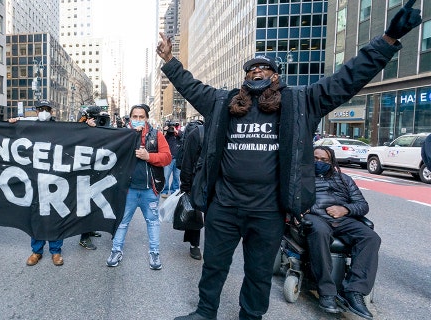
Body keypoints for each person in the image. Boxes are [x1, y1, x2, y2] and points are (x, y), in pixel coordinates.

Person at [157, 2, 420, 318]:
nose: (257, 71)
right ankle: (204, 311)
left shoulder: (300, 102)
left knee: (257, 273)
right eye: (252, 69)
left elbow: (348, 78)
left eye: (264, 68)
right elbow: (190, 86)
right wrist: (170, 60)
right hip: (224, 207)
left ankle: (250, 316)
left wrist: (388, 39)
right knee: (214, 267)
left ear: (275, 77)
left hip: (268, 212)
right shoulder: (223, 102)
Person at [8, 100, 87, 265]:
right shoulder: (28, 128)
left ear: (51, 111)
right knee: (36, 216)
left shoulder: (60, 128)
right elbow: (12, 139)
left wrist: (89, 126)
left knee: (55, 217)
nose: (44, 112)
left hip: (56, 179)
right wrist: (11, 125)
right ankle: (36, 251)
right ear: (36, 112)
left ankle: (56, 251)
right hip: (35, 179)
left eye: (46, 109)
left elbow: (78, 137)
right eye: (41, 109)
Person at [305, 146, 379, 319]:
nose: (319, 162)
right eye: (315, 158)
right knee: (320, 232)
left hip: (342, 218)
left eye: (324, 160)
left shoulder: (344, 179)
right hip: (316, 217)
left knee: (371, 238)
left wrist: (345, 209)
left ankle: (355, 291)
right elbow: (292, 199)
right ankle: (327, 292)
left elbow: (362, 205)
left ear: (331, 162)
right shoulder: (302, 178)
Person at [106, 104, 172, 270]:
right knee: (122, 221)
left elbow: (167, 158)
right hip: (128, 190)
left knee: (152, 222)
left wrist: (148, 156)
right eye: (134, 117)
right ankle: (116, 250)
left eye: (141, 117)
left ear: (147, 118)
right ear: (130, 118)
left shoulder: (156, 135)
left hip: (150, 190)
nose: (137, 120)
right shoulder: (121, 135)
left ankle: (154, 253)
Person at [178, 120, 205, 260]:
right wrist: (186, 187)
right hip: (198, 182)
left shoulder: (229, 130)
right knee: (195, 213)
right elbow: (187, 162)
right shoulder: (197, 133)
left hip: (221, 183)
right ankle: (195, 244)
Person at [162, 121, 181, 198]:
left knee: (176, 177)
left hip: (178, 158)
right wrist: (165, 131)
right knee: (166, 176)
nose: (172, 129)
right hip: (169, 159)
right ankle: (165, 191)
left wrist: (177, 131)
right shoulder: (167, 136)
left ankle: (175, 191)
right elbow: (161, 141)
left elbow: (184, 137)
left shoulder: (179, 134)